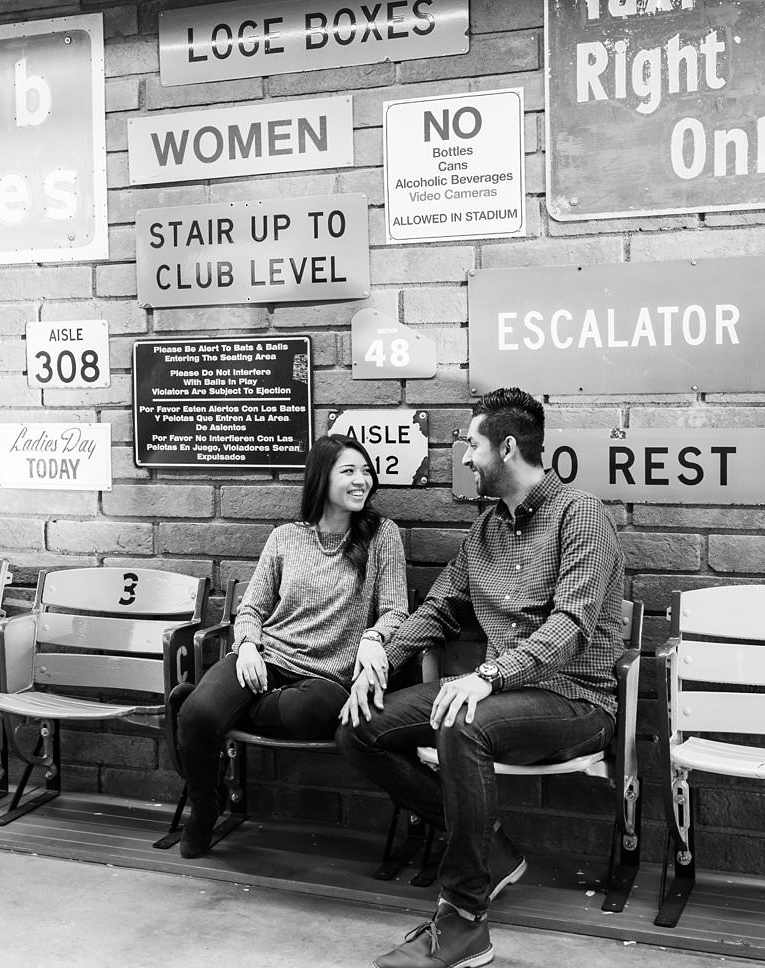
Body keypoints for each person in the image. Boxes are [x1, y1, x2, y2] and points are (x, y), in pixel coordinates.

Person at [336, 389, 625, 968]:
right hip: (501, 694)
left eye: (472, 443)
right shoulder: (485, 531)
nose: (466, 457)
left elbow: (570, 623)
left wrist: (490, 674)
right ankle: (487, 843)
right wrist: (378, 649)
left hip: (575, 699)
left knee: (461, 723)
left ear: (507, 447)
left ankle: (465, 922)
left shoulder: (581, 516)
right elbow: (441, 607)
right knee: (357, 725)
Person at [170, 434, 408, 858]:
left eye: (366, 472)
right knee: (198, 714)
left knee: (310, 713)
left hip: (326, 677)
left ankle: (218, 707)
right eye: (349, 471)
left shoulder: (381, 535)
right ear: (321, 478)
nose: (362, 481)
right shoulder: (285, 538)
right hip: (268, 657)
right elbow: (252, 609)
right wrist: (245, 647)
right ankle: (205, 806)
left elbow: (395, 610)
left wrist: (374, 638)